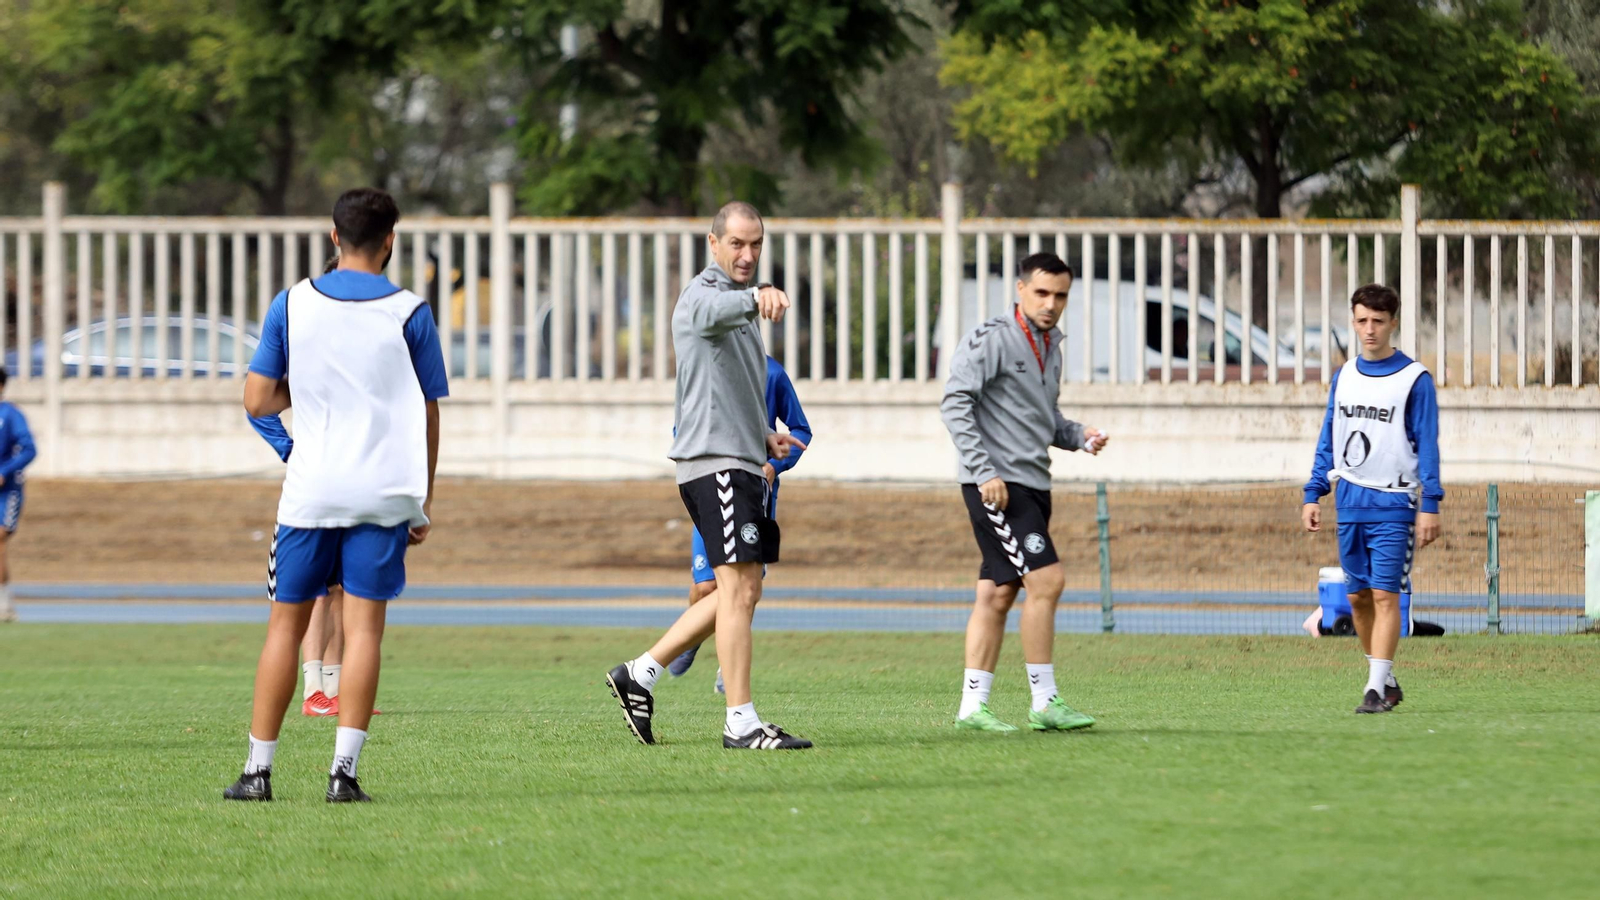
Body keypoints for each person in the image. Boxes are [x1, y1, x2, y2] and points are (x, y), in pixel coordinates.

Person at [223, 188, 447, 802]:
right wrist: (421, 499)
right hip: (382, 492)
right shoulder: (411, 313)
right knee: (365, 631)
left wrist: (316, 383)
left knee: (284, 632)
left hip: (311, 491)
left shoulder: (291, 303)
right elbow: (427, 415)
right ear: (390, 240)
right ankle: (343, 775)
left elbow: (258, 400)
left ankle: (256, 773)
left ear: (333, 236)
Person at [604, 200, 810, 750]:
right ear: (713, 243)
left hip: (738, 459)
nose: (747, 254)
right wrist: (756, 296)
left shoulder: (734, 309)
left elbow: (730, 386)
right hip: (715, 466)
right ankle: (739, 722)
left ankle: (641, 673)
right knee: (740, 589)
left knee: (742, 589)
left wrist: (764, 436)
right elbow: (714, 314)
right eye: (737, 244)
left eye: (756, 244)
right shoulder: (705, 295)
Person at [941, 252, 1108, 734]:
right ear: (1020, 289)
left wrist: (1081, 435)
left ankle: (972, 710)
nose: (1051, 304)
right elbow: (955, 403)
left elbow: (1044, 418)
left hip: (1033, 482)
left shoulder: (1049, 346)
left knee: (998, 593)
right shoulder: (993, 338)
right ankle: (1045, 701)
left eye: (1060, 296)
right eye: (1042, 293)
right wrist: (983, 470)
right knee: (1047, 581)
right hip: (998, 486)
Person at [1302, 283, 1441, 714]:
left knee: (1386, 596)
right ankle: (1387, 678)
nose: (1369, 330)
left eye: (1378, 321)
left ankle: (1374, 690)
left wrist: (1430, 504)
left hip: (1395, 504)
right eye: (1361, 320)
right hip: (1350, 501)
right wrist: (1314, 490)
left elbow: (1429, 444)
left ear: (1392, 323)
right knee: (1358, 598)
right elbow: (1330, 434)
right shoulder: (1344, 376)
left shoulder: (1414, 379)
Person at [668, 354, 812, 691]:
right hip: (712, 487)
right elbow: (682, 426)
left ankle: (726, 667)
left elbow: (800, 429)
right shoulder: (708, 368)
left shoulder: (772, 373)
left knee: (744, 586)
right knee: (706, 587)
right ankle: (691, 636)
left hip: (753, 494)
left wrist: (776, 466)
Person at [0, 368, 36, 623]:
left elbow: (29, 449)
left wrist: (5, 471)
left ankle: (4, 606)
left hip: (6, 492)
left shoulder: (10, 415)